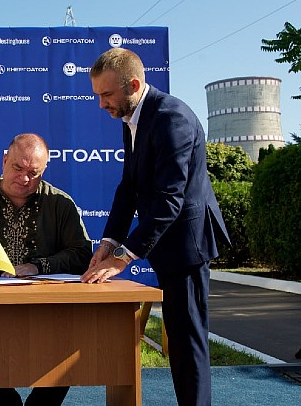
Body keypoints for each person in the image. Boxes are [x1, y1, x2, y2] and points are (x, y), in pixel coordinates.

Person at [83, 47, 230, 406]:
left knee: (187, 341)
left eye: (107, 94)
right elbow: (129, 187)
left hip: (187, 247)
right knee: (179, 338)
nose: (101, 104)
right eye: (98, 95)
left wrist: (122, 257)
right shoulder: (133, 116)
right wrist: (108, 242)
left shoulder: (171, 118)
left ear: (133, 85)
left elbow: (169, 200)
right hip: (166, 243)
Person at [0, 133, 92, 405]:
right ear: (4, 161)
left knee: (67, 349)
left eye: (33, 173)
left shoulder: (60, 203)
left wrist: (38, 266)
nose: (24, 178)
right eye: (18, 168)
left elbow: (81, 253)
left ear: (44, 171)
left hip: (45, 310)